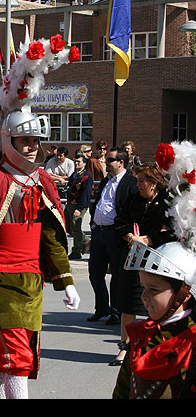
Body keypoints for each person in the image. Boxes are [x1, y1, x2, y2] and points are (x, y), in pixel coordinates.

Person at [0, 35, 81, 399]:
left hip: (32, 283)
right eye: (25, 140)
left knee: (5, 363)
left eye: (36, 141)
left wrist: (67, 280)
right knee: (17, 360)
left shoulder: (43, 181)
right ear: (7, 139)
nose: (33, 147)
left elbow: (53, 237)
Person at [112, 140, 196, 398]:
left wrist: (149, 240)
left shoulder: (191, 339)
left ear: (183, 291)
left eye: (155, 290)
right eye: (146, 287)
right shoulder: (142, 335)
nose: (145, 296)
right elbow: (123, 391)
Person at [110, 163, 175, 367]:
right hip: (132, 257)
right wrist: (130, 236)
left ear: (153, 183)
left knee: (156, 303)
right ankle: (126, 347)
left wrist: (149, 239)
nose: (137, 184)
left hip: (158, 260)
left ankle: (156, 347)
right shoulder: (135, 199)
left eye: (141, 180)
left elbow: (174, 231)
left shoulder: (168, 201)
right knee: (128, 303)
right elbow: (120, 221)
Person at [87, 146, 139, 326]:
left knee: (117, 276)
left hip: (115, 235)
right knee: (95, 273)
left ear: (121, 162)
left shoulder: (131, 183)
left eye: (110, 160)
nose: (106, 163)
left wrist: (125, 231)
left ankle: (116, 311)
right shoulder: (105, 181)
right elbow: (99, 204)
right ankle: (102, 308)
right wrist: (93, 225)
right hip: (98, 232)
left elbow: (131, 210)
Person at [65, 154, 93, 260]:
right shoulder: (74, 175)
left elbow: (86, 194)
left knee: (76, 227)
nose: (76, 163)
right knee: (68, 226)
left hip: (78, 205)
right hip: (70, 204)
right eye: (75, 161)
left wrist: (79, 209)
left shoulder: (87, 177)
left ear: (84, 163)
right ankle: (86, 240)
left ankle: (76, 250)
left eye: (79, 162)